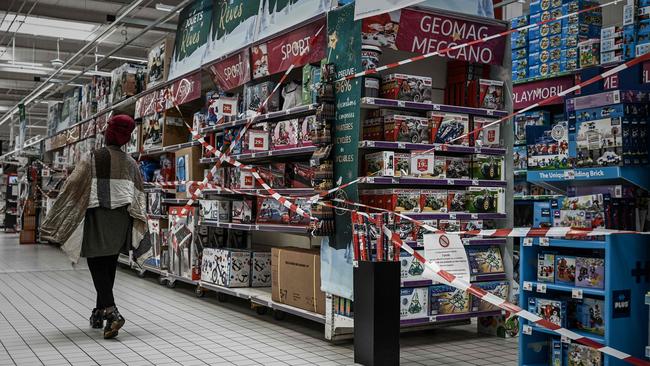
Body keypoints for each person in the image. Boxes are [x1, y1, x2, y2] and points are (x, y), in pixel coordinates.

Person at [41, 114, 151, 339]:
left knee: (95, 262)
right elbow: (139, 195)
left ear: (108, 132)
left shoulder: (92, 157)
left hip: (97, 215)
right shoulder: (131, 163)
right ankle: (99, 311)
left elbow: (73, 186)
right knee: (109, 262)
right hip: (120, 220)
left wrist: (58, 213)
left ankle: (111, 311)